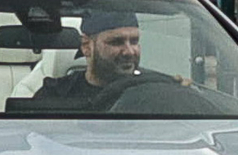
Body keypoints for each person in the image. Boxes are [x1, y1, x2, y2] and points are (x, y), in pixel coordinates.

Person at [16, 7, 147, 110]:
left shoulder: (151, 92)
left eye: (134, 41)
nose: (129, 51)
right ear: (86, 46)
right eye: (116, 42)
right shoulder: (56, 95)